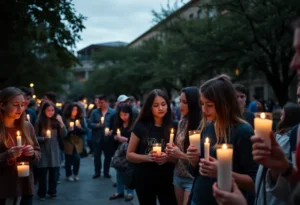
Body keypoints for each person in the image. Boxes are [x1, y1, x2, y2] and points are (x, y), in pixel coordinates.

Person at [187, 75, 258, 205]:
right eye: (202, 104)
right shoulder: (207, 127)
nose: (204, 109)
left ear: (225, 104)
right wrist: (193, 161)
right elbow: (197, 173)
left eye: (209, 105)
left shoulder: (242, 132)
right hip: (198, 199)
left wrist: (223, 172)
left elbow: (255, 182)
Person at [127, 89, 177, 205]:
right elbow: (129, 155)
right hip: (145, 178)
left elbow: (177, 156)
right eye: (156, 105)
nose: (160, 108)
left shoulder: (174, 126)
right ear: (150, 107)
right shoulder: (141, 127)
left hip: (167, 178)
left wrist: (167, 158)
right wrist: (147, 157)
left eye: (163, 104)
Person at [0, 87, 41, 205]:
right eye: (16, 105)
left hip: (25, 187)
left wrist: (32, 153)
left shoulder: (27, 127)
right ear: (2, 105)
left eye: (22, 105)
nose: (20, 109)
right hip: (4, 189)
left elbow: (38, 154)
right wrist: (7, 155)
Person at [255, 103, 300, 205]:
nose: (280, 117)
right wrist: (284, 168)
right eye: (298, 96)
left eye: (282, 115)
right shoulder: (282, 136)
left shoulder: (287, 139)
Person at [165, 87, 201, 205]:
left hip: (192, 178)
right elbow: (176, 154)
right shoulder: (181, 123)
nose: (180, 105)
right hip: (178, 175)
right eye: (180, 101)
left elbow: (201, 159)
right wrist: (169, 153)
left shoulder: (201, 125)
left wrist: (179, 154)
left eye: (184, 102)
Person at [35, 102, 67, 200]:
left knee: (54, 173)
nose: (51, 112)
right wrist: (43, 139)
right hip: (44, 150)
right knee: (43, 174)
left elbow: (64, 135)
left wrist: (61, 122)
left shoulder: (57, 121)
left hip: (55, 150)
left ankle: (52, 191)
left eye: (52, 110)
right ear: (44, 111)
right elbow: (34, 137)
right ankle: (42, 193)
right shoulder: (39, 121)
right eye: (48, 110)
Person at [109, 104, 135, 201]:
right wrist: (115, 137)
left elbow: (137, 139)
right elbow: (114, 134)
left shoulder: (134, 124)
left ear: (130, 114)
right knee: (119, 171)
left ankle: (129, 191)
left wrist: (125, 139)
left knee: (129, 172)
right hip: (119, 151)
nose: (123, 117)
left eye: (125, 115)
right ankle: (120, 191)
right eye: (121, 115)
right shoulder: (118, 123)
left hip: (130, 150)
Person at [89, 95, 115, 179]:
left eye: (102, 102)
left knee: (108, 156)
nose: (100, 104)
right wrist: (98, 125)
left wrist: (112, 131)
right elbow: (90, 124)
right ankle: (97, 172)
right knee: (97, 156)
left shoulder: (113, 112)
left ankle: (106, 172)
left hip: (108, 138)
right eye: (99, 102)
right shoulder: (94, 112)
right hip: (97, 138)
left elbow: (115, 124)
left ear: (107, 102)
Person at [63, 103, 87, 182]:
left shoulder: (80, 119)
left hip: (77, 141)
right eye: (73, 109)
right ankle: (68, 174)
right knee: (68, 159)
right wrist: (68, 130)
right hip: (68, 141)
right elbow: (62, 131)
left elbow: (85, 131)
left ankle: (75, 173)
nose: (75, 111)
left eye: (76, 110)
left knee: (77, 158)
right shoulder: (66, 119)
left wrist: (80, 128)